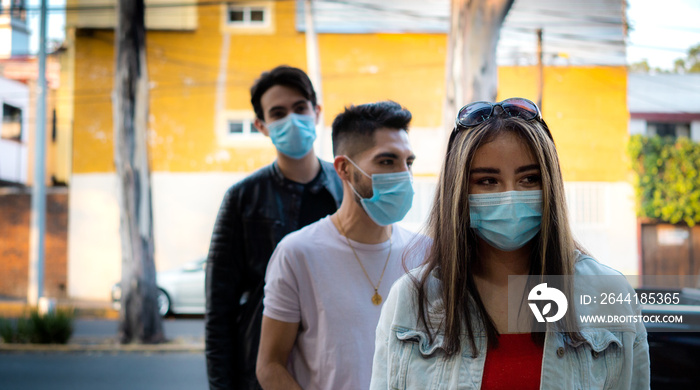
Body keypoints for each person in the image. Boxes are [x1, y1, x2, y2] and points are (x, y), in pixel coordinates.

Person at [370, 98, 650, 389]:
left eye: (529, 178)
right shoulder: (411, 301)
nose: (510, 196)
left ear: (550, 186)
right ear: (458, 192)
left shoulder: (610, 294)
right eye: (488, 181)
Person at [256, 101, 425, 390]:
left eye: (408, 162)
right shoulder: (297, 253)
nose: (404, 175)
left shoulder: (426, 252)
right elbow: (270, 365)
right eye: (387, 161)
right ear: (345, 169)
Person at [205, 65, 343, 390]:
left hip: (335, 367)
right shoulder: (242, 199)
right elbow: (219, 312)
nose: (292, 120)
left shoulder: (347, 187)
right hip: (261, 370)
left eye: (299, 108)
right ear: (262, 126)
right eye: (278, 113)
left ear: (317, 112)